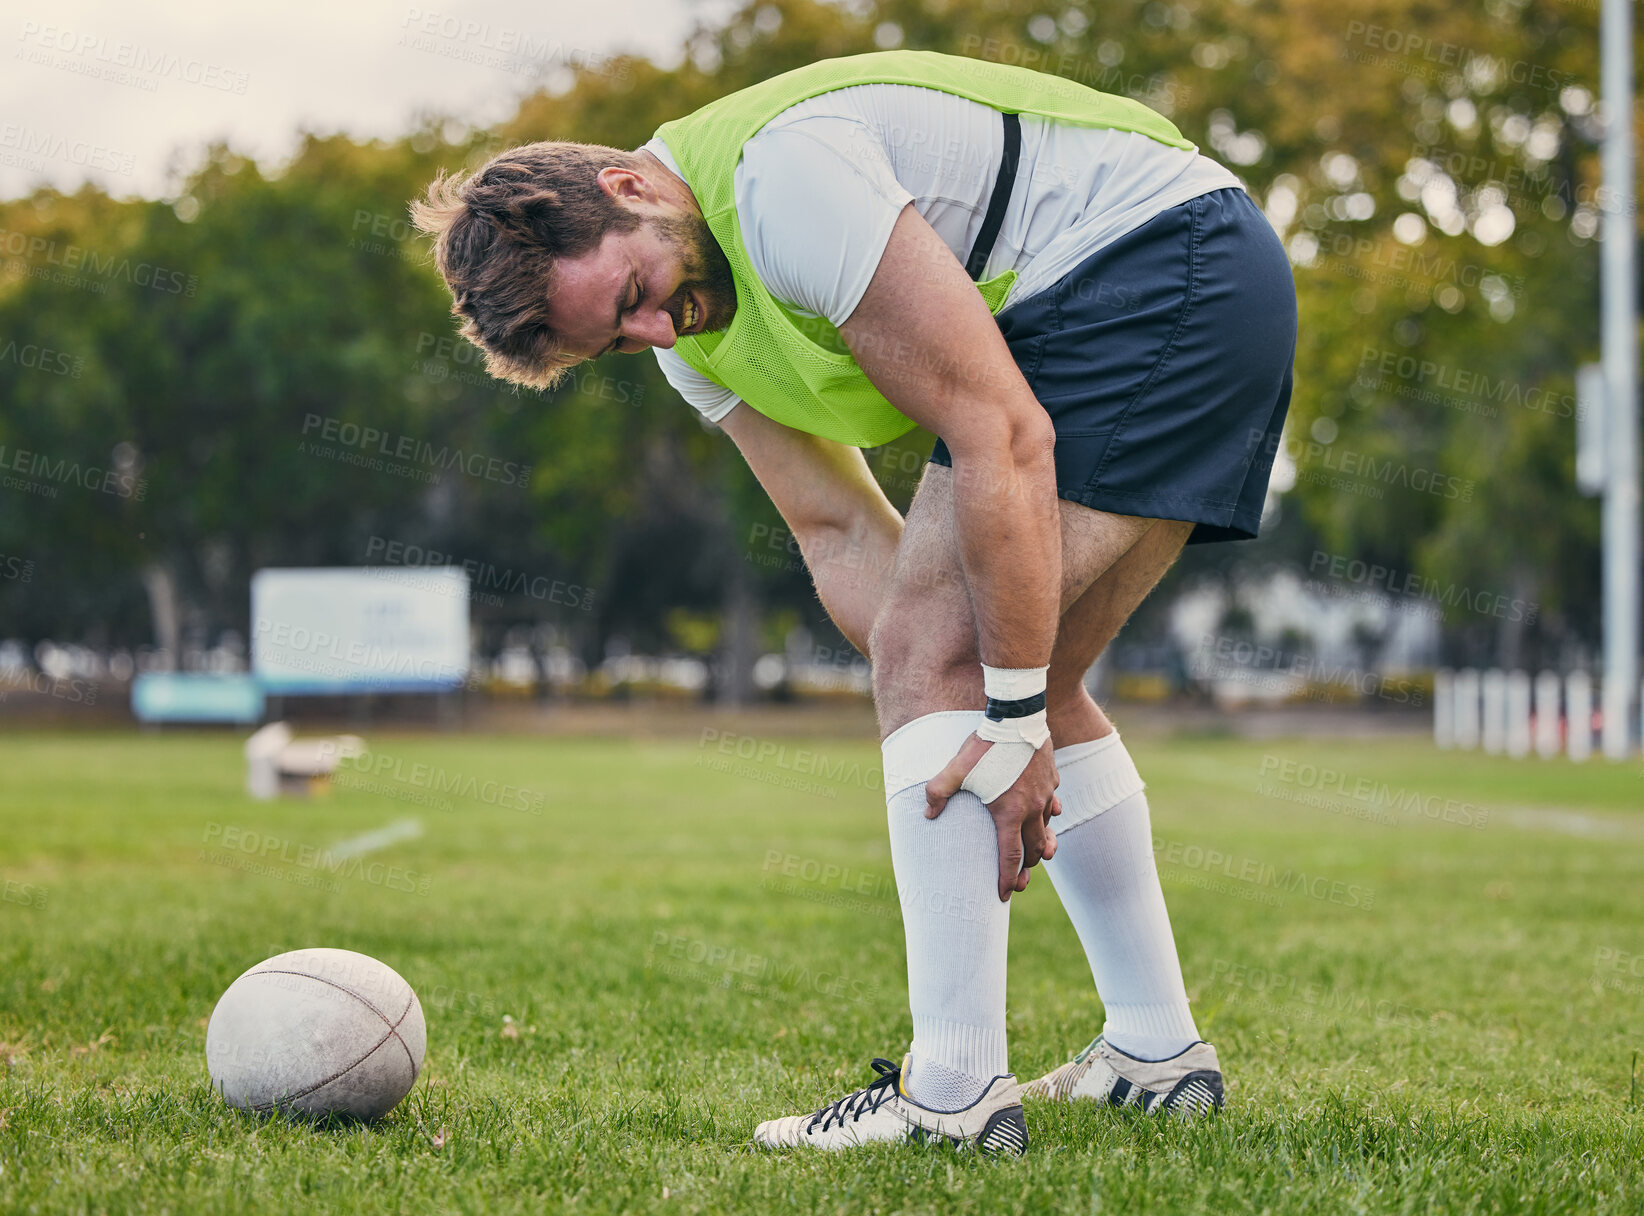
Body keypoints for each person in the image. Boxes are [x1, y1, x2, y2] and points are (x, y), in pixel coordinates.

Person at [411, 48, 1296, 1154]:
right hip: (1199, 277)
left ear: (629, 188)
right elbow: (835, 532)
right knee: (1000, 657)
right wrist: (964, 683)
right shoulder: (696, 340)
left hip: (1160, 265)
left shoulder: (786, 184)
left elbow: (1000, 435)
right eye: (617, 340)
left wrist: (985, 697)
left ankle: (954, 1094)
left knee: (971, 656)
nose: (656, 334)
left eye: (634, 297)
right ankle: (1157, 1055)